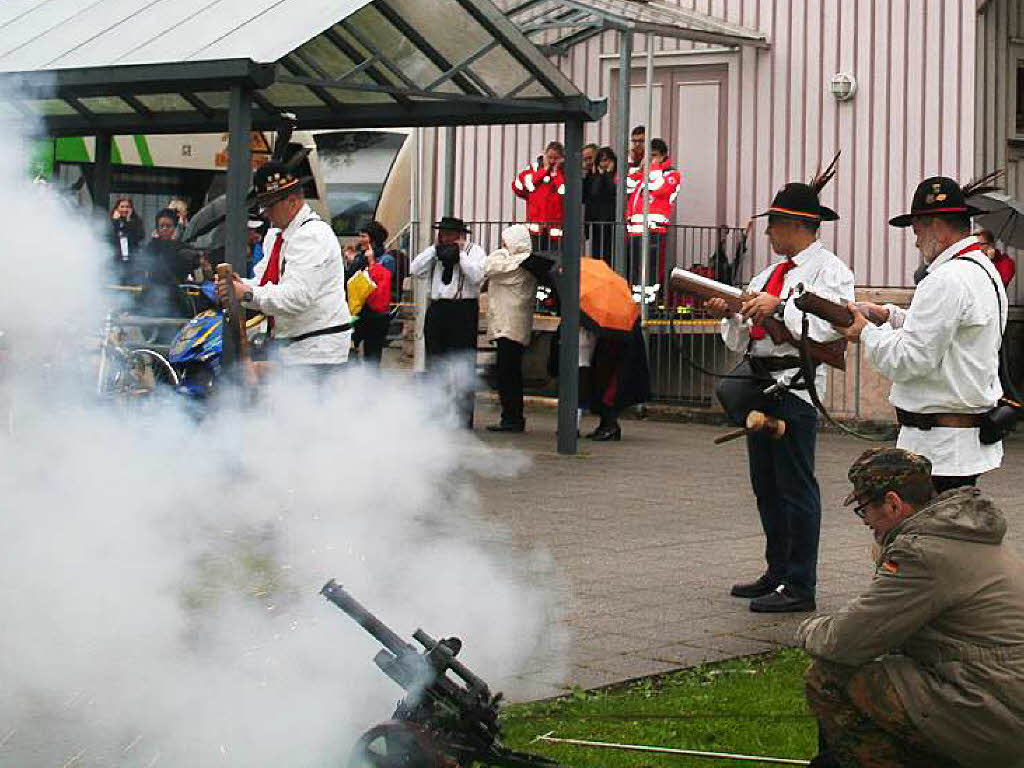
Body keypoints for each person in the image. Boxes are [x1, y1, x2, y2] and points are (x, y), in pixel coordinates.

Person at [799, 447, 1024, 768]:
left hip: (995, 715)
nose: (865, 522)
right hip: (1004, 696)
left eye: (864, 509)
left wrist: (806, 629)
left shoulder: (922, 553)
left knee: (828, 676)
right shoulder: (963, 531)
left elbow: (844, 642)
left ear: (892, 503)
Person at [704, 164, 854, 613]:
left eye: (775, 223)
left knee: (795, 487)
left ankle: (800, 584)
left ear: (796, 225)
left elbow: (832, 328)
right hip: (760, 383)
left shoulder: (831, 272)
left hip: (795, 387)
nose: (768, 232)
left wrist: (781, 305)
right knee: (765, 485)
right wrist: (732, 312)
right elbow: (744, 337)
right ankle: (777, 571)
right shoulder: (767, 272)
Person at [838, 176, 1007, 493]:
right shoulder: (982, 270)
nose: (916, 242)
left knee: (928, 537)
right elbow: (945, 334)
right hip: (954, 445)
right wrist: (887, 314)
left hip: (938, 449)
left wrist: (866, 333)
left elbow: (910, 359)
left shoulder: (946, 279)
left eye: (917, 231)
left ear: (938, 229)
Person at [217, 161, 352, 374]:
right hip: (291, 348)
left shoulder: (312, 235)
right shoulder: (276, 235)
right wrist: (239, 286)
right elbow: (264, 283)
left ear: (292, 201)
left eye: (269, 205)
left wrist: (247, 293)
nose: (265, 213)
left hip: (318, 353)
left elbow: (296, 297)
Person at [410, 216, 486, 428]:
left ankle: (463, 417)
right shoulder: (435, 252)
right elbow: (415, 269)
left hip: (463, 309)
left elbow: (477, 276)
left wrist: (460, 254)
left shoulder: (475, 251)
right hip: (438, 308)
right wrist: (433, 250)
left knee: (463, 363)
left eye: (450, 234)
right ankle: (437, 412)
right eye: (443, 234)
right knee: (435, 361)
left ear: (460, 235)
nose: (446, 238)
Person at [483, 224, 537, 432]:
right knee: (507, 374)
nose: (502, 246)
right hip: (507, 325)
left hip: (511, 326)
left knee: (509, 375)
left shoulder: (521, 265)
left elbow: (490, 267)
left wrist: (503, 252)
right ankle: (510, 415)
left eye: (505, 243)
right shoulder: (518, 263)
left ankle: (512, 418)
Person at [625, 138, 680, 306]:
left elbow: (658, 188)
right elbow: (627, 185)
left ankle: (650, 303)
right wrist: (637, 167)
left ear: (663, 155)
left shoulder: (671, 174)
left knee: (651, 268)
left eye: (654, 155)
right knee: (635, 268)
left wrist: (653, 168)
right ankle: (637, 302)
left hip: (655, 229)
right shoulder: (643, 173)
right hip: (636, 229)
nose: (650, 159)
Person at [512, 141, 565, 252]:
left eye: (556, 158)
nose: (552, 161)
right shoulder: (533, 169)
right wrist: (544, 171)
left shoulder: (564, 172)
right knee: (535, 260)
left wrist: (556, 174)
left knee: (555, 262)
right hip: (535, 229)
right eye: (550, 157)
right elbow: (521, 186)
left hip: (556, 230)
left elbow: (564, 192)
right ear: (544, 155)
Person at [351, 240, 393, 366]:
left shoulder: (381, 271)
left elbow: (378, 296)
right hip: (361, 314)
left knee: (372, 356)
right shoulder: (360, 269)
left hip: (374, 316)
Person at [583, 146, 618, 263]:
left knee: (611, 254)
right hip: (596, 222)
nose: (604, 163)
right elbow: (593, 193)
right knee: (597, 254)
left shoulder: (617, 175)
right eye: (601, 160)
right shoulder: (592, 176)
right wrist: (601, 175)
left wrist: (607, 175)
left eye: (606, 160)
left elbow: (613, 191)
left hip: (612, 222)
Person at [108, 197, 145, 282]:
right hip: (116, 261)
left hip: (132, 261)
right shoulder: (111, 222)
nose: (125, 209)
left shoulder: (136, 222)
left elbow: (139, 236)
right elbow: (109, 237)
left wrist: (128, 221)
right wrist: (115, 222)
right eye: (122, 206)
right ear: (117, 208)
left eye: (127, 207)